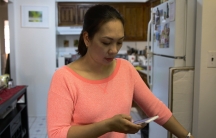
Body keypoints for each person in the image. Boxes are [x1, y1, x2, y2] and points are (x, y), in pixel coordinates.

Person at [47, 4, 194, 138]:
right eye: (106, 42)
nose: (114, 50)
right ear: (87, 38)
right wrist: (108, 125)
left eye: (119, 42)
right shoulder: (64, 78)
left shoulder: (126, 69)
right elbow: (56, 134)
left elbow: (156, 108)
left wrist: (187, 136)